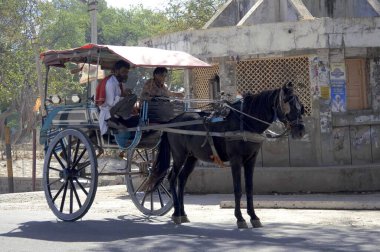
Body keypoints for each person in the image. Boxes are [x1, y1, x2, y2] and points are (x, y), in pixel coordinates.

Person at [98, 60, 133, 135]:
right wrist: (123, 96)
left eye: (127, 72)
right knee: (133, 97)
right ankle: (123, 117)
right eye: (123, 72)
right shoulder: (111, 83)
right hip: (109, 113)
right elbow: (111, 103)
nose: (125, 75)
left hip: (116, 111)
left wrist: (124, 94)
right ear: (116, 71)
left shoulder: (118, 83)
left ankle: (125, 116)